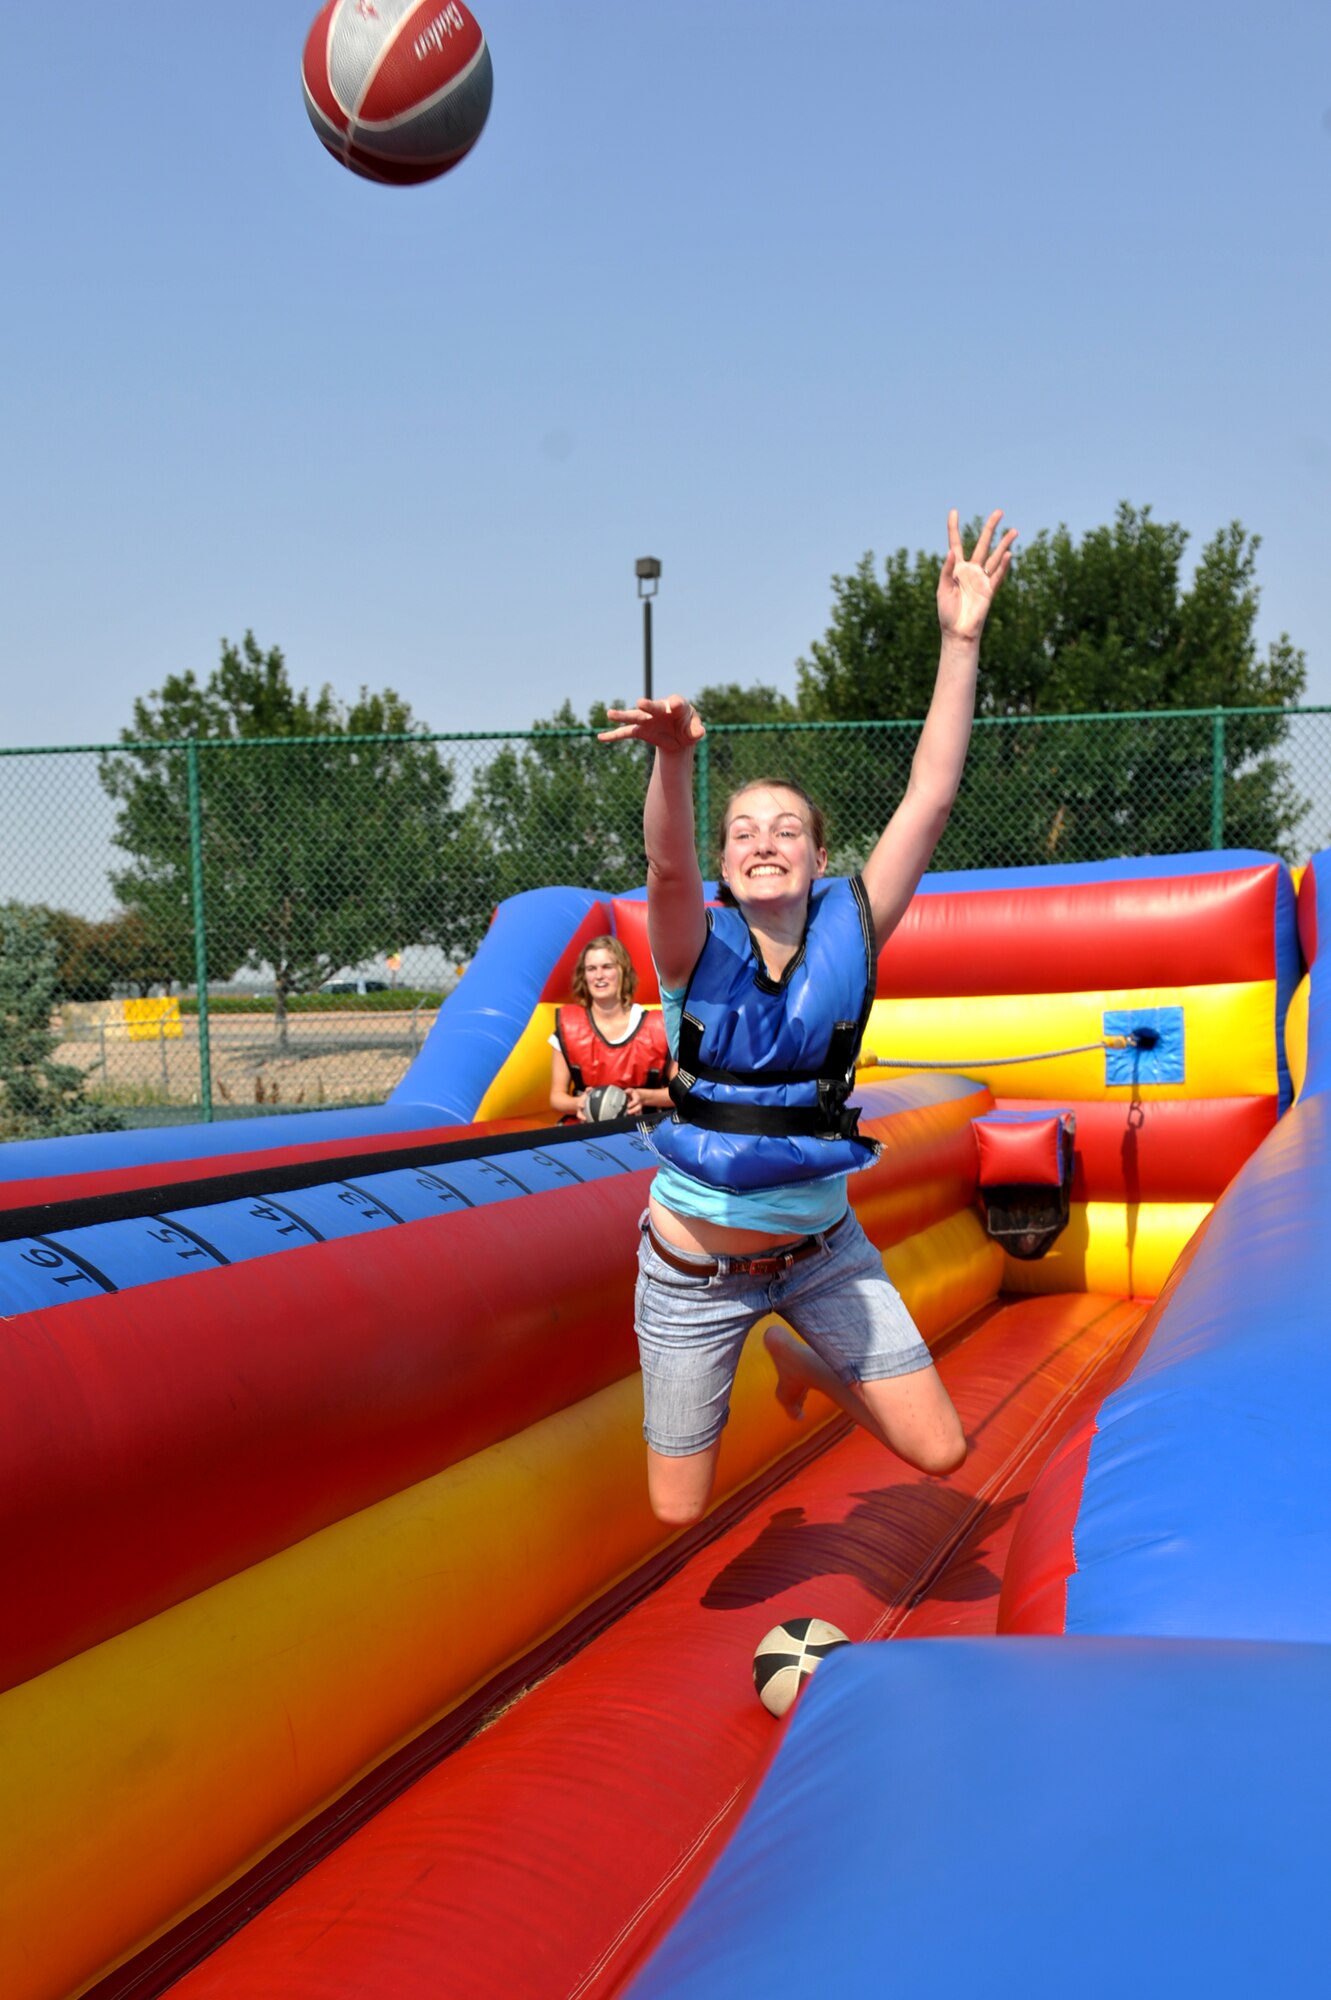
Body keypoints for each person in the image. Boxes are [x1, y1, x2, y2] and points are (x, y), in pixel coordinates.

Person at [599, 508, 1017, 1525]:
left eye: (787, 827)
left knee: (941, 1447)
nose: (763, 840)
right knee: (674, 1507)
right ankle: (765, 1339)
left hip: (823, 1252)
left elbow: (929, 792)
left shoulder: (855, 931)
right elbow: (664, 860)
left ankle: (802, 1348)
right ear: (728, 862)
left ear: (819, 860)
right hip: (694, 1271)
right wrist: (673, 761)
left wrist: (958, 638)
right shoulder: (691, 949)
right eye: (742, 830)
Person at [549, 934, 676, 1122]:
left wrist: (645, 1097)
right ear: (583, 976)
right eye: (591, 969)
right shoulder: (569, 1027)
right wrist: (580, 1103)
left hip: (645, 1129)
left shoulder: (659, 1026)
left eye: (607, 967)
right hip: (587, 1131)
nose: (599, 975)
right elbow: (556, 1096)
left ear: (622, 971)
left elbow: (682, 1090)